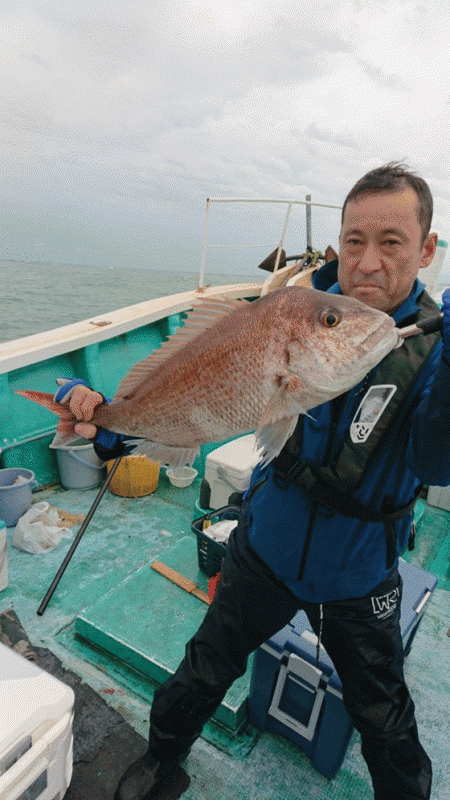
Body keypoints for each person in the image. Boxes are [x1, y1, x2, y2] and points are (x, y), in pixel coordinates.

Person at [57, 163, 450, 800]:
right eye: (354, 240)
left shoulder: (431, 351)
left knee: (386, 721)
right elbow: (201, 396)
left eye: (393, 241)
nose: (369, 262)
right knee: (202, 669)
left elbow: (439, 465)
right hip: (266, 545)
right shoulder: (284, 314)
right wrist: (110, 425)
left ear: (427, 250)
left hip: (358, 577)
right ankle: (162, 760)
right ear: (337, 243)